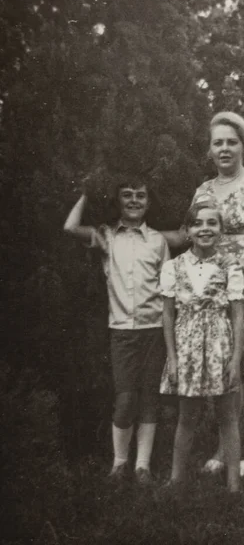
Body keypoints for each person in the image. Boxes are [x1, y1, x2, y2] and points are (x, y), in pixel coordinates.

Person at [163, 111, 244, 477]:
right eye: (218, 142)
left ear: (243, 146)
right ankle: (225, 448)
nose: (225, 148)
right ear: (209, 149)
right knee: (221, 368)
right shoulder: (203, 190)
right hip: (211, 289)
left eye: (232, 141)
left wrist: (242, 266)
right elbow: (190, 234)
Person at [63, 175, 170, 485]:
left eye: (140, 195)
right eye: (127, 195)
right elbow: (70, 227)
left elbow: (166, 291)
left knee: (149, 398)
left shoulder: (157, 241)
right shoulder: (107, 236)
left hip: (153, 330)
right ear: (118, 201)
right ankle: (119, 463)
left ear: (149, 202)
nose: (134, 200)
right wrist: (85, 193)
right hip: (122, 331)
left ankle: (142, 467)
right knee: (125, 398)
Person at [160, 202, 244, 492]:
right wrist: (172, 358)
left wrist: (235, 359)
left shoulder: (230, 265)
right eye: (198, 223)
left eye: (212, 223)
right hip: (187, 348)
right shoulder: (173, 267)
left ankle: (233, 484)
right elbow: (168, 313)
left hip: (220, 346)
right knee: (187, 416)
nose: (205, 229)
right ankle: (176, 479)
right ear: (187, 231)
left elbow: (237, 312)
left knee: (227, 415)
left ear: (221, 230)